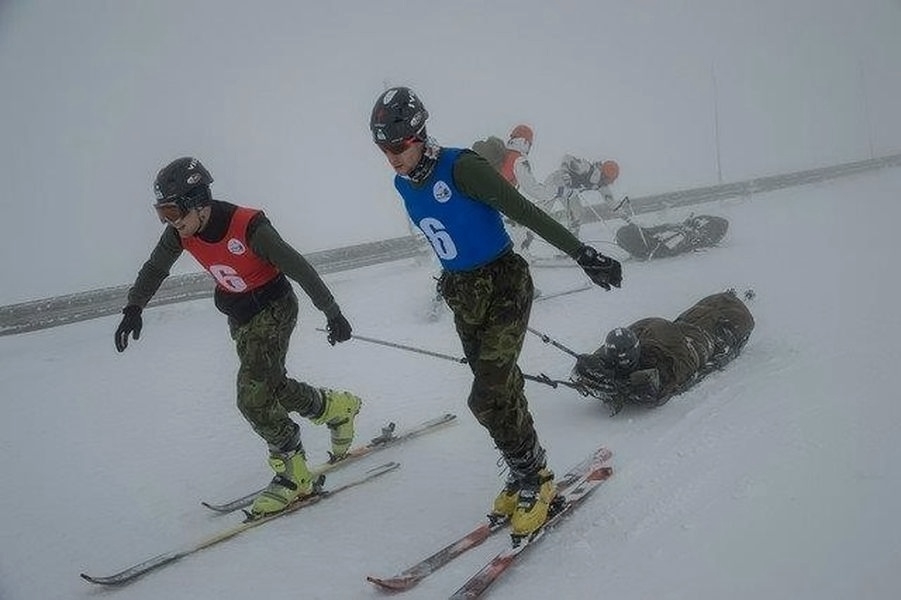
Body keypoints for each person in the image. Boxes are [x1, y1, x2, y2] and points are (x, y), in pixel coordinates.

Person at [369, 86, 623, 538]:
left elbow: (524, 211)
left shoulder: (462, 167)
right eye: (383, 148)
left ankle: (538, 479)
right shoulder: (402, 182)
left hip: (504, 284)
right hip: (463, 294)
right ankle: (524, 470)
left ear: (419, 135)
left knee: (485, 395)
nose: (391, 157)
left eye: (397, 146)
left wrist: (583, 254)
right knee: (503, 389)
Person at [113, 157, 362, 518]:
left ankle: (293, 473)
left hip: (274, 308)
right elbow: (155, 268)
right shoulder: (181, 233)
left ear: (198, 201)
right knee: (271, 387)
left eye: (172, 211)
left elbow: (298, 268)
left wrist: (332, 311)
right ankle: (336, 408)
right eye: (162, 213)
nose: (170, 221)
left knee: (252, 397)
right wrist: (134, 307)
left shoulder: (249, 227)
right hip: (240, 314)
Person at [571, 289, 754, 414]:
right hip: (680, 335)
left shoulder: (661, 362)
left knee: (691, 324)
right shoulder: (645, 343)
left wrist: (621, 384)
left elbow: (658, 386)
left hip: (690, 343)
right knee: (691, 320)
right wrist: (592, 364)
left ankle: (723, 306)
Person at [473, 125, 620, 242]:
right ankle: (523, 249)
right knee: (535, 216)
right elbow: (535, 190)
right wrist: (562, 187)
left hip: (481, 199)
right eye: (530, 144)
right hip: (552, 186)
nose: (530, 148)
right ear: (525, 142)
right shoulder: (519, 160)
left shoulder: (505, 156)